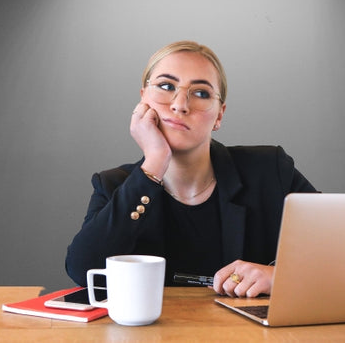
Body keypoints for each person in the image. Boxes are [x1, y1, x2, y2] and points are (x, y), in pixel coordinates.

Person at [65, 40, 317, 298]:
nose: (180, 104)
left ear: (219, 115)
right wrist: (153, 164)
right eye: (166, 86)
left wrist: (281, 277)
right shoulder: (114, 186)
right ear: (143, 100)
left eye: (201, 93)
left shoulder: (270, 170)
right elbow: (83, 270)